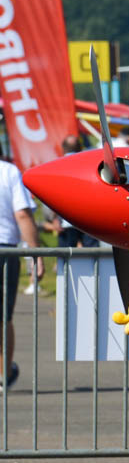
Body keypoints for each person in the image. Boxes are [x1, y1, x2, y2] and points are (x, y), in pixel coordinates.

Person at [0, 142, 42, 389]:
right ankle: (4, 373)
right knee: (4, 315)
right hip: (4, 248)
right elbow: (23, 215)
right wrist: (35, 253)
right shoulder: (8, 171)